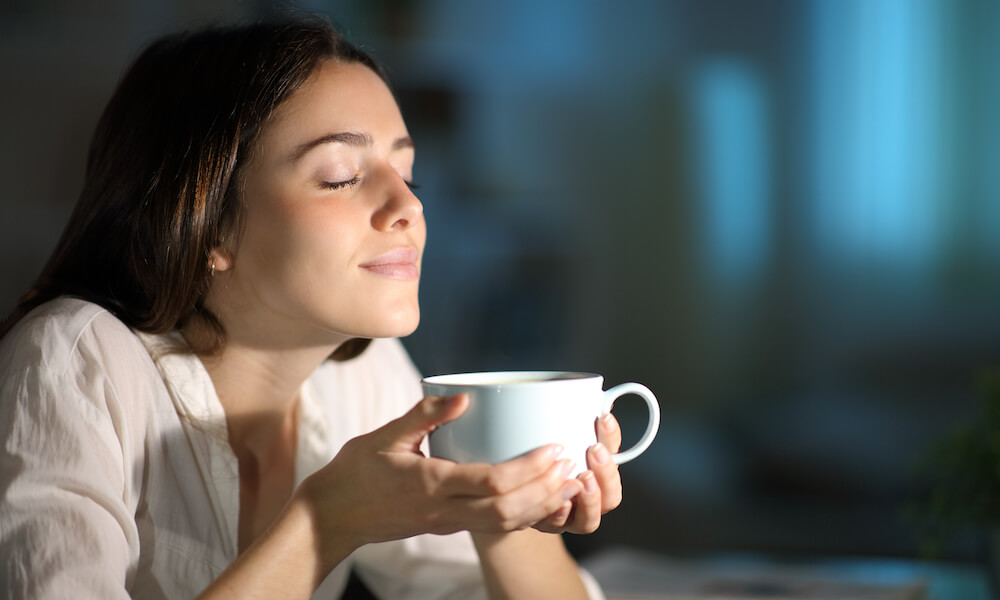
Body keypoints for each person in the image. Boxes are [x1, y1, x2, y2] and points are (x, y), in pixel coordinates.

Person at [0, 16, 625, 600]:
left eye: (409, 173)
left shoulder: (360, 373)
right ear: (208, 226)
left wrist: (501, 510)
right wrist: (325, 520)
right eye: (339, 176)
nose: (408, 206)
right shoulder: (71, 359)